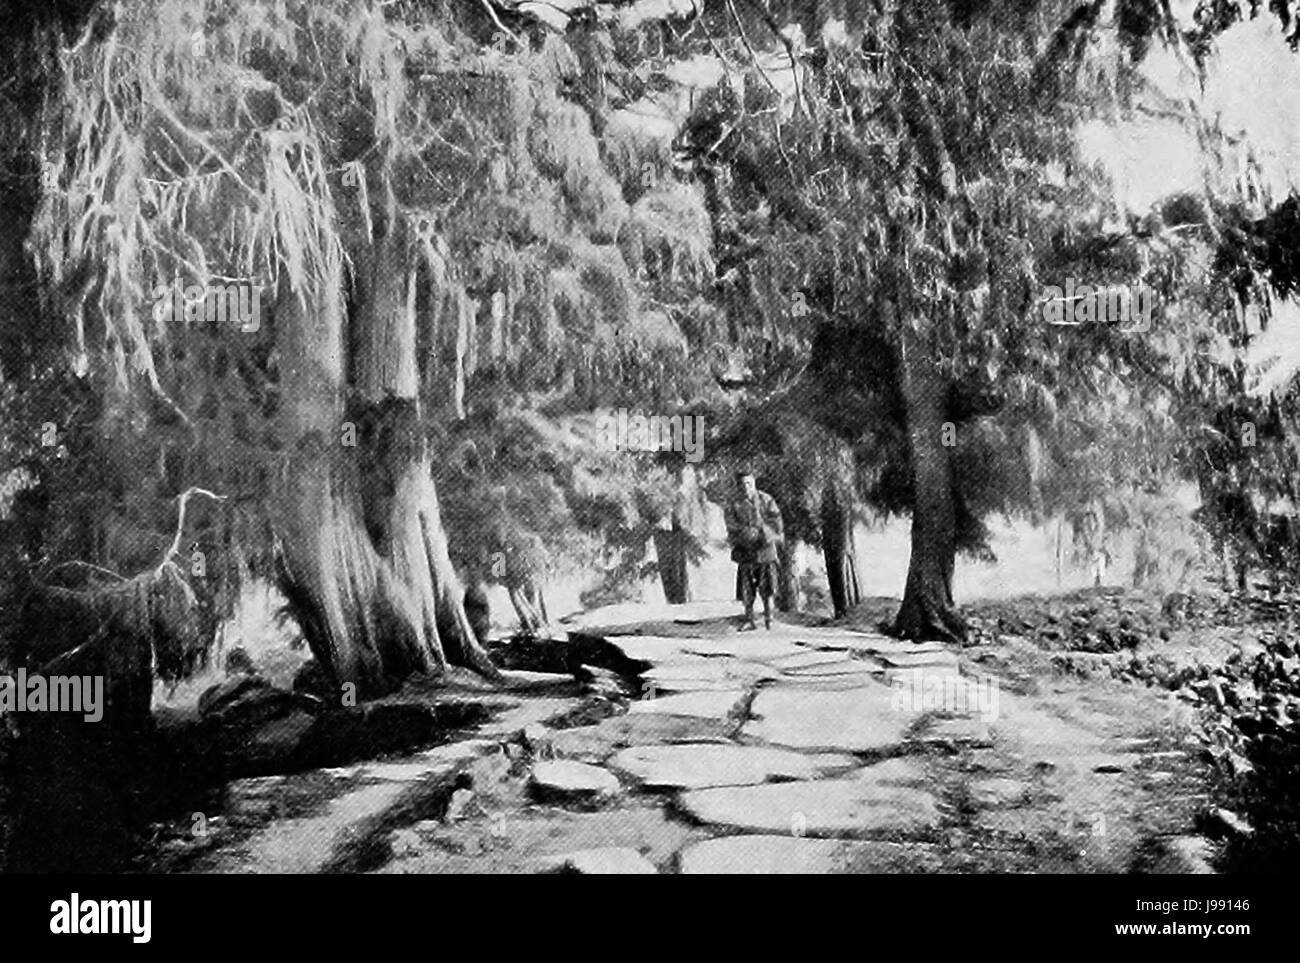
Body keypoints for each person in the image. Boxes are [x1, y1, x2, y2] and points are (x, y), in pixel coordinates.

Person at [723, 469, 784, 631]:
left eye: (749, 483)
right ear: (738, 487)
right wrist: (744, 533)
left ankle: (768, 617)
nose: (746, 487)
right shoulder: (734, 504)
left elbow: (776, 521)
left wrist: (762, 532)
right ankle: (749, 618)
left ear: (754, 484)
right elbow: (730, 524)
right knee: (747, 587)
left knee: (768, 585)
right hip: (746, 549)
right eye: (742, 485)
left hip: (765, 548)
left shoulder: (766, 499)